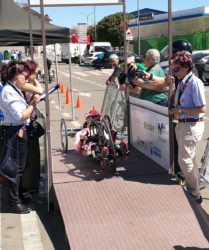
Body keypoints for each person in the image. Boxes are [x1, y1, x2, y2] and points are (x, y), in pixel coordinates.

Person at [0, 61, 41, 214]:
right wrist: (33, 103)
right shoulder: (9, 91)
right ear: (15, 75)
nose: (25, 77)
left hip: (17, 131)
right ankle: (13, 202)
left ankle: (16, 198)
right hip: (13, 132)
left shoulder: (14, 88)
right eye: (23, 75)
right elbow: (20, 116)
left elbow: (38, 89)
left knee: (18, 168)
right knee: (14, 169)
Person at [170, 51, 206, 205]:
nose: (174, 72)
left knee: (184, 160)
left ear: (186, 67)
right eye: (172, 69)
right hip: (183, 124)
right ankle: (196, 185)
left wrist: (180, 111)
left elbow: (202, 109)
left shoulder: (194, 82)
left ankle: (195, 192)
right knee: (189, 158)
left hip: (191, 125)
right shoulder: (183, 81)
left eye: (176, 69)